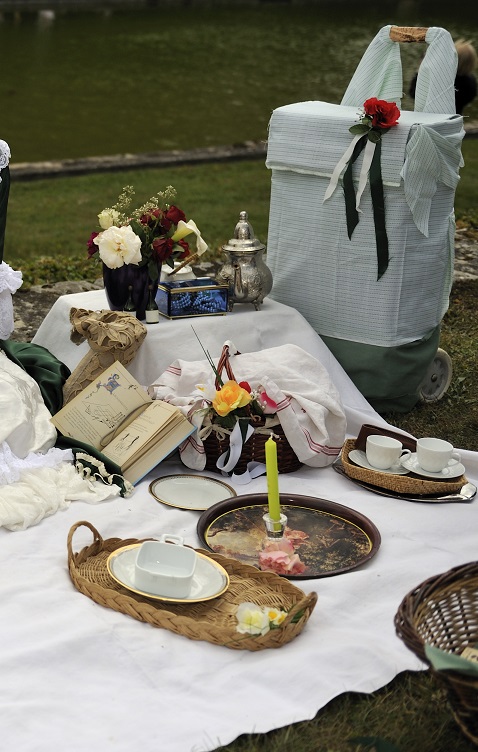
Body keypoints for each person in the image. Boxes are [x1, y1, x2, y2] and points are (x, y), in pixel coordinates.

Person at [409, 38, 477, 115]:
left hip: (429, 117)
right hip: (454, 118)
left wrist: (421, 69)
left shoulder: (440, 78)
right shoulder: (471, 82)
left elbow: (413, 93)